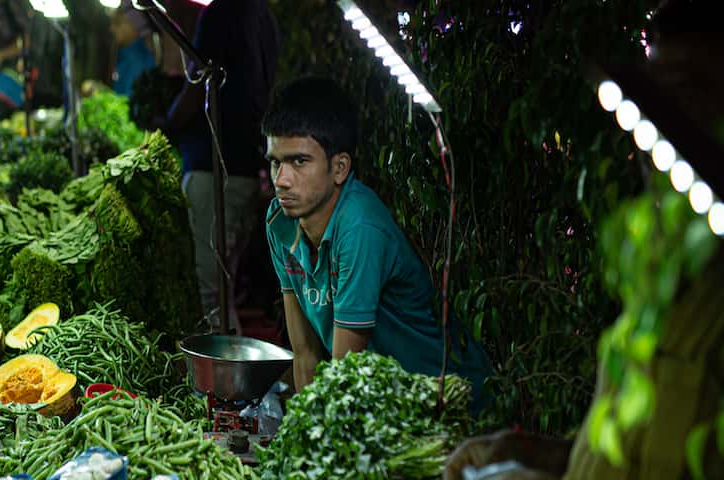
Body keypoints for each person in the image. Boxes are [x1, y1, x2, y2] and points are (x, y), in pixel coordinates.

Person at [444, 1, 724, 479]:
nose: (664, 126)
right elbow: (632, 456)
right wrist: (533, 454)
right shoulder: (663, 270)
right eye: (657, 98)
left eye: (689, 94)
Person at [262, 76, 492, 408]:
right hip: (384, 403)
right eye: (275, 162)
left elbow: (344, 372)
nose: (281, 181)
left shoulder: (360, 227)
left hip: (447, 403)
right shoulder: (279, 222)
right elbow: (305, 353)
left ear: (339, 168)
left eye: (299, 161)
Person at [158, 0, 279, 335]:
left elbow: (198, 86)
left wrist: (165, 127)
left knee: (210, 291)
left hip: (216, 171)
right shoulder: (262, 14)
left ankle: (224, 381)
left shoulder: (223, 12)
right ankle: (225, 377)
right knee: (222, 288)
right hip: (243, 170)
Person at [109, 2, 155, 97]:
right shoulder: (126, 55)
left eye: (118, 23)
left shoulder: (137, 60)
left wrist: (103, 94)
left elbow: (127, 103)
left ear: (135, 26)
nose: (112, 28)